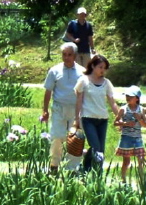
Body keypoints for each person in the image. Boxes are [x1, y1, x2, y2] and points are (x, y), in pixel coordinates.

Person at [42, 42, 86, 174]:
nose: (66, 57)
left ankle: (72, 168)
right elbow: (48, 91)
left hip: (76, 110)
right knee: (57, 136)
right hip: (58, 108)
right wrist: (45, 110)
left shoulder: (82, 72)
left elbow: (85, 92)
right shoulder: (54, 71)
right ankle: (54, 165)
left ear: (75, 55)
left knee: (75, 138)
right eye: (64, 54)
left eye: (69, 55)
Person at [74, 54, 119, 172]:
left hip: (102, 119)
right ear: (93, 66)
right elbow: (78, 101)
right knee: (96, 147)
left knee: (100, 150)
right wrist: (76, 119)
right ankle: (90, 169)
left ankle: (91, 171)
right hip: (88, 118)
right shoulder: (83, 80)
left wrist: (119, 118)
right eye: (100, 67)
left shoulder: (106, 83)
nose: (102, 70)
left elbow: (112, 102)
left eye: (104, 68)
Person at [114, 85, 146, 184]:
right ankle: (123, 180)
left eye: (131, 96)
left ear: (137, 98)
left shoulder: (141, 109)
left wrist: (139, 119)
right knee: (126, 161)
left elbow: (145, 125)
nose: (128, 98)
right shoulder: (123, 109)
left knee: (141, 159)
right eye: (127, 96)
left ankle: (142, 180)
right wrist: (125, 124)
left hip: (138, 138)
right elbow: (115, 122)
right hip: (126, 138)